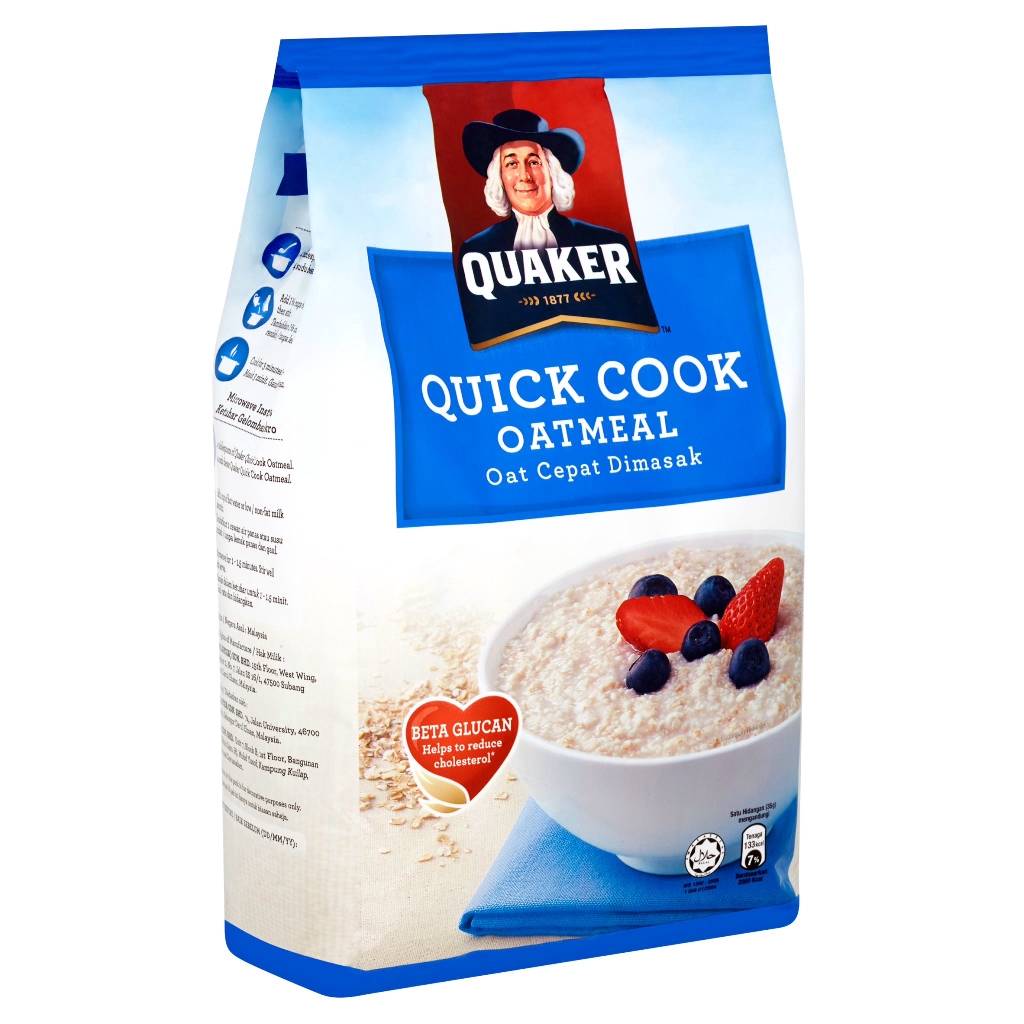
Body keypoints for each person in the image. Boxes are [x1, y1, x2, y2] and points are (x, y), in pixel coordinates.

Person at [457, 108, 658, 348]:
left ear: (553, 173)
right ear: (499, 177)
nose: (524, 176)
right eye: (511, 163)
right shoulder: (477, 252)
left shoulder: (607, 244)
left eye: (534, 162)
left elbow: (639, 330)